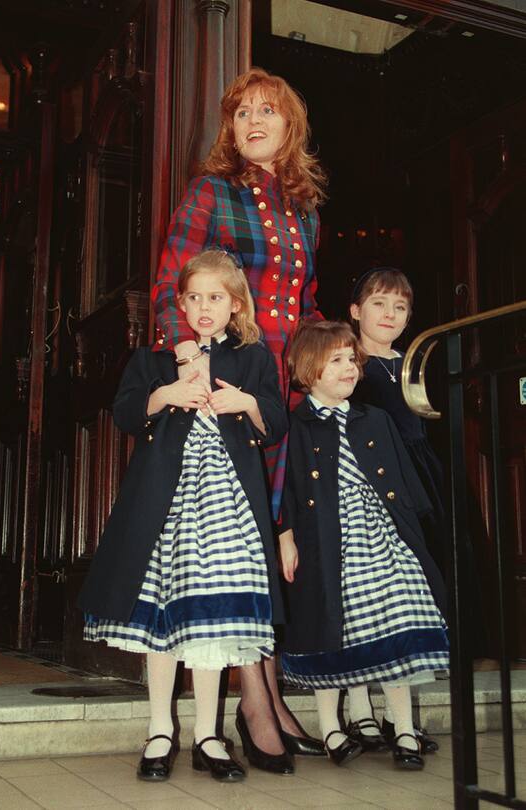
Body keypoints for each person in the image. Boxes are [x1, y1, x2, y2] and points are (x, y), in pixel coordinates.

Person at [151, 67, 328, 767]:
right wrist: (194, 365)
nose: (253, 121)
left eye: (268, 111)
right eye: (242, 113)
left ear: (291, 126)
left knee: (276, 529)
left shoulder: (306, 210)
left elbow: (306, 301)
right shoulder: (211, 192)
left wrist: (338, 355)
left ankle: (273, 687)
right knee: (243, 532)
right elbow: (172, 283)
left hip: (284, 388)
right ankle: (252, 694)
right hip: (231, 381)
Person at [78, 250, 289, 782]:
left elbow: (277, 423)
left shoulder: (253, 359)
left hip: (226, 510)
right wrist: (164, 395)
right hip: (164, 506)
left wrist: (246, 404)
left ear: (235, 305)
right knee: (161, 613)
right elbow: (125, 411)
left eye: (215, 298)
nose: (202, 307)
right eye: (193, 297)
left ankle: (207, 736)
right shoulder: (152, 361)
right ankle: (159, 730)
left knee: (210, 619)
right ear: (180, 303)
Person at [278, 320, 449, 771]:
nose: (350, 367)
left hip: (381, 540)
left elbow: (403, 485)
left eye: (352, 359)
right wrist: (286, 536)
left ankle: (405, 730)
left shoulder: (375, 418)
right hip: (327, 545)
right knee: (330, 629)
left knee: (396, 625)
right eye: (337, 360)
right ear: (310, 369)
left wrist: (413, 535)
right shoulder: (295, 426)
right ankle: (332, 726)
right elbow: (287, 490)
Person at [349, 268, 446, 752]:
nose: (390, 315)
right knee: (365, 593)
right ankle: (358, 706)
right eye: (379, 304)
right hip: (371, 484)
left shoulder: (411, 361)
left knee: (403, 596)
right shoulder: (351, 363)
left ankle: (397, 715)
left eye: (400, 307)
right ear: (355, 312)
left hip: (415, 481)